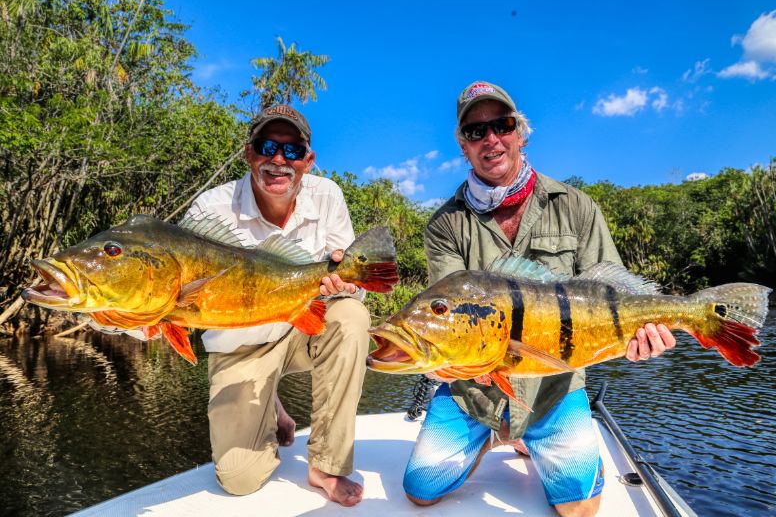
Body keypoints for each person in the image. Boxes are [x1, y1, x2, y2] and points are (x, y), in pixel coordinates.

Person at [402, 81, 676, 517]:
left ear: (520, 133)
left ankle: (530, 433)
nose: (491, 139)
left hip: (555, 387)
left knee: (580, 509)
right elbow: (449, 313)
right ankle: (495, 433)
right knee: (420, 490)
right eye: (476, 131)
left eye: (502, 125)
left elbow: (616, 294)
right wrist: (440, 358)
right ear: (463, 146)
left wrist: (639, 339)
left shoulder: (577, 206)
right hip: (475, 390)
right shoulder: (445, 225)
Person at [185, 104, 367, 506]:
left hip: (300, 329)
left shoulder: (328, 196)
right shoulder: (209, 210)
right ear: (250, 152)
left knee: (352, 317)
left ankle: (326, 464)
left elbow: (357, 288)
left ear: (308, 160)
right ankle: (274, 409)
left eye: (292, 150)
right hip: (240, 347)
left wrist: (344, 285)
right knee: (239, 480)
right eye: (268, 146)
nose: (279, 160)